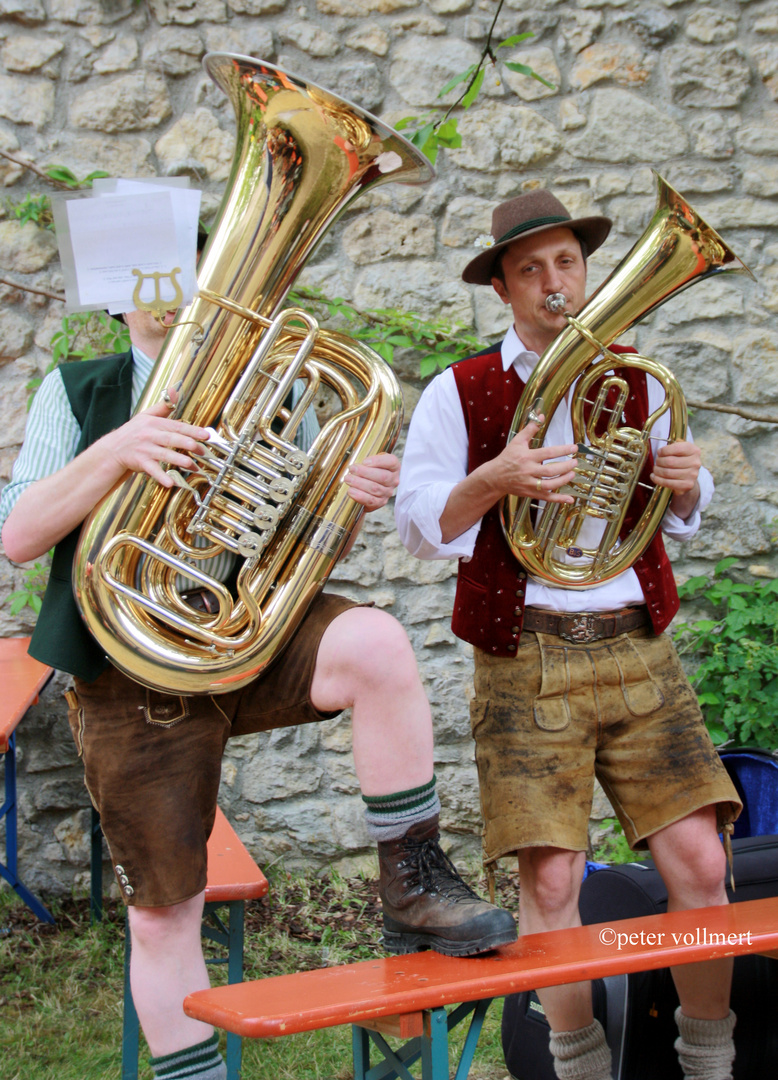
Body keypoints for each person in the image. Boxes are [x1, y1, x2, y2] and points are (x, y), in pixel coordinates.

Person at [0, 302, 516, 1080]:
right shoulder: (75, 390)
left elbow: (312, 547)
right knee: (166, 915)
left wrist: (349, 498)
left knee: (375, 642)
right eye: (148, 276)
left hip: (248, 634)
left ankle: (412, 884)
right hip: (129, 667)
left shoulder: (278, 391)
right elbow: (18, 536)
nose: (170, 292)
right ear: (117, 294)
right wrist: (117, 451)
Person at [395, 189, 742, 1080]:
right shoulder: (459, 390)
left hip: (637, 645)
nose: (555, 282)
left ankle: (711, 1062)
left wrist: (690, 483)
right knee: (551, 882)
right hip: (526, 657)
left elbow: (686, 515)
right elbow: (421, 527)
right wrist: (495, 478)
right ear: (503, 288)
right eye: (531, 269)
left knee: (701, 860)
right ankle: (578, 1066)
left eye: (567, 263)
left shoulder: (636, 377)